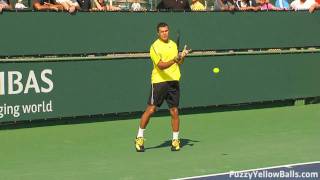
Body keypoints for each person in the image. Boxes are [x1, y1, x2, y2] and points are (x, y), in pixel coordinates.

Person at [135, 22, 191, 152]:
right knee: (151, 110)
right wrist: (175, 60)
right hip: (159, 82)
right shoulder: (154, 46)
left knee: (174, 111)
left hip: (173, 82)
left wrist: (182, 56)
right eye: (162, 31)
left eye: (166, 31)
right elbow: (160, 65)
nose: (165, 33)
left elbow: (179, 62)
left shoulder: (173, 44)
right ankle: (139, 137)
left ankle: (175, 140)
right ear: (158, 33)